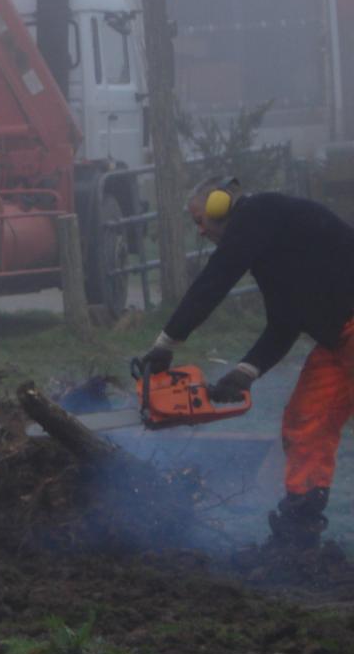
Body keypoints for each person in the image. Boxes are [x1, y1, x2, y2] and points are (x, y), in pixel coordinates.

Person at [138, 175, 354, 552]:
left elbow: (216, 280)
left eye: (200, 220)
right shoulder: (271, 244)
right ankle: (299, 530)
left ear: (222, 205)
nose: (201, 231)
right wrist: (244, 373)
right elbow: (285, 322)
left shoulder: (258, 212)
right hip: (339, 340)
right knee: (306, 422)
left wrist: (167, 342)